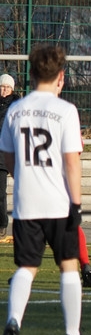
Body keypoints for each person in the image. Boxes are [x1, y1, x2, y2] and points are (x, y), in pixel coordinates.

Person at [0, 44, 91, 335]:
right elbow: (72, 162)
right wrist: (76, 203)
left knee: (26, 267)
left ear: (31, 74)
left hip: (26, 203)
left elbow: (8, 158)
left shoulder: (15, 110)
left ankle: (13, 321)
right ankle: (72, 334)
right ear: (61, 77)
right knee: (68, 266)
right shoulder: (66, 111)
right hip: (58, 203)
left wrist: (24, 179)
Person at [0, 73, 19, 242]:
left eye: (7, 87)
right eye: (2, 86)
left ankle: (2, 224)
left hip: (3, 155)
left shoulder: (16, 106)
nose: (4, 90)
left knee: (0, 192)